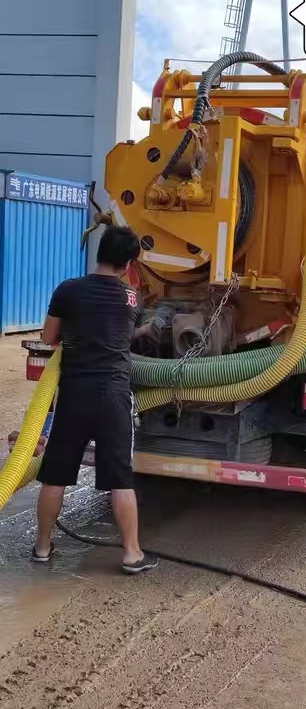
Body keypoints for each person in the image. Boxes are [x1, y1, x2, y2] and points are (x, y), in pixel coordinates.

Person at [33, 226, 159, 575]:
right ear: (128, 264)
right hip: (113, 396)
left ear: (100, 252)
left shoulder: (68, 289)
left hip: (74, 394)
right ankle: (132, 554)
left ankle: (42, 547)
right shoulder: (132, 298)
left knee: (55, 476)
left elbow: (49, 337)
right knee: (119, 478)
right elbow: (121, 333)